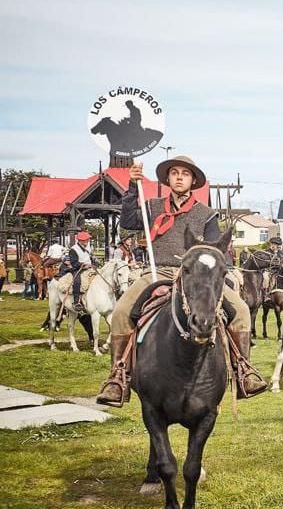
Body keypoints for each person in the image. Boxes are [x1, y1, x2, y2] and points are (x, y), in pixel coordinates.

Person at [95, 156, 267, 407]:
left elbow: (213, 250)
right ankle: (118, 377)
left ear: (192, 181)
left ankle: (243, 371)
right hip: (157, 272)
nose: (178, 177)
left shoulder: (207, 214)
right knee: (121, 311)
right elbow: (129, 222)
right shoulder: (152, 206)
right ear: (167, 179)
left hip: (196, 276)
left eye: (184, 174)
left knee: (240, 310)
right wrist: (133, 187)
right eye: (174, 173)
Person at [60, 230, 93, 313]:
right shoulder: (73, 249)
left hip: (90, 268)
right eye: (86, 239)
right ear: (80, 240)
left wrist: (94, 263)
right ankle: (76, 301)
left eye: (87, 239)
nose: (87, 241)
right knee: (77, 281)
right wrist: (83, 265)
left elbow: (90, 257)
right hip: (78, 269)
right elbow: (74, 262)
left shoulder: (88, 247)